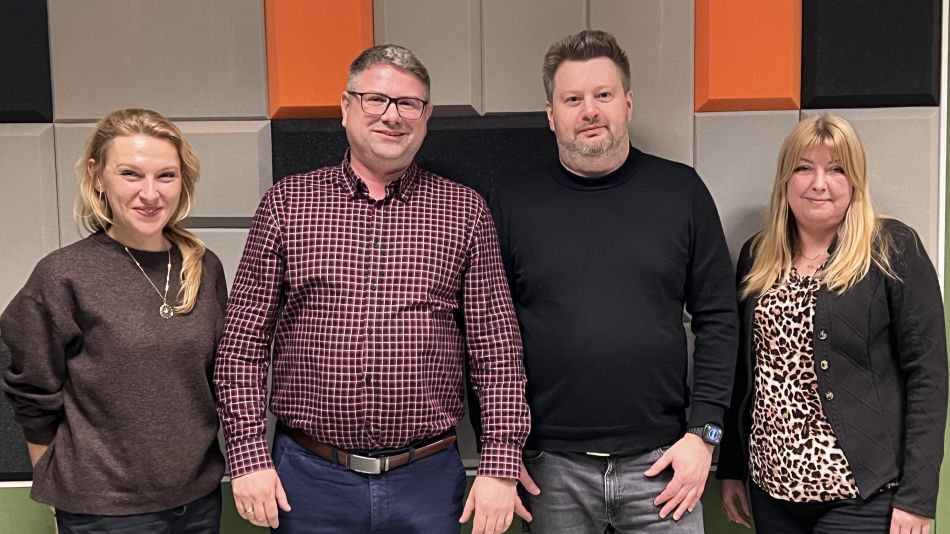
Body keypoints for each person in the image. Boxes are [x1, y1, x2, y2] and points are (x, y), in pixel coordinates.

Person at [214, 44, 530, 534]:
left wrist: (501, 463)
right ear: (346, 107)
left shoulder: (464, 211)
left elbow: (497, 349)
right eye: (375, 99)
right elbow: (243, 344)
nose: (392, 115)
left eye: (409, 104)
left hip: (426, 480)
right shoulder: (287, 205)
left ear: (426, 117)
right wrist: (248, 456)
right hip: (308, 478)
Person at [488, 30, 738, 533]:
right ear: (551, 114)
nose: (590, 111)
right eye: (573, 99)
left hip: (665, 464)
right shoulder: (511, 204)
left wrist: (705, 435)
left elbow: (719, 317)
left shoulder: (681, 191)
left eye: (603, 95)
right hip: (550, 468)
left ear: (627, 102)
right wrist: (500, 452)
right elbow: (488, 336)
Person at [717, 114, 948, 534]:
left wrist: (917, 497)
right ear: (785, 179)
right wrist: (732, 466)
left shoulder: (892, 249)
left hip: (861, 495)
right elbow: (743, 373)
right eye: (804, 168)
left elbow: (928, 376)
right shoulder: (757, 255)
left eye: (837, 169)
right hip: (771, 493)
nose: (819, 183)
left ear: (855, 181)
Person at [1, 108, 228, 533]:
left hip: (198, 500)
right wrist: (58, 489)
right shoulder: (64, 275)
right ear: (97, 176)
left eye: (166, 176)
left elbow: (220, 378)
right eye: (130, 174)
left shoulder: (204, 267)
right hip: (104, 512)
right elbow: (32, 392)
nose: (150, 193)